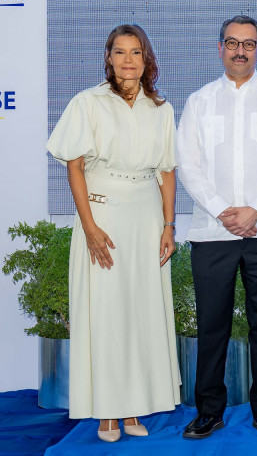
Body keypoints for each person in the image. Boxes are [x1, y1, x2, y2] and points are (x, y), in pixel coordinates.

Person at [46, 24, 181, 442]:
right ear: (108, 58)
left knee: (141, 313)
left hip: (146, 220)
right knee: (105, 314)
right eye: (119, 52)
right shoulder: (87, 102)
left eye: (135, 52)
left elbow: (167, 172)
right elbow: (74, 166)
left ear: (146, 58)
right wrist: (89, 227)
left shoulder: (161, 109)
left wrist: (169, 226)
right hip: (102, 217)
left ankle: (134, 405)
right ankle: (107, 411)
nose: (127, 60)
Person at [177, 15, 257, 440]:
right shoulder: (199, 102)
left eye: (248, 44)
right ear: (220, 48)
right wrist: (222, 210)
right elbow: (188, 164)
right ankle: (209, 410)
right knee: (212, 326)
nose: (240, 51)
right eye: (232, 43)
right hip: (213, 232)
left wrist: (255, 210)